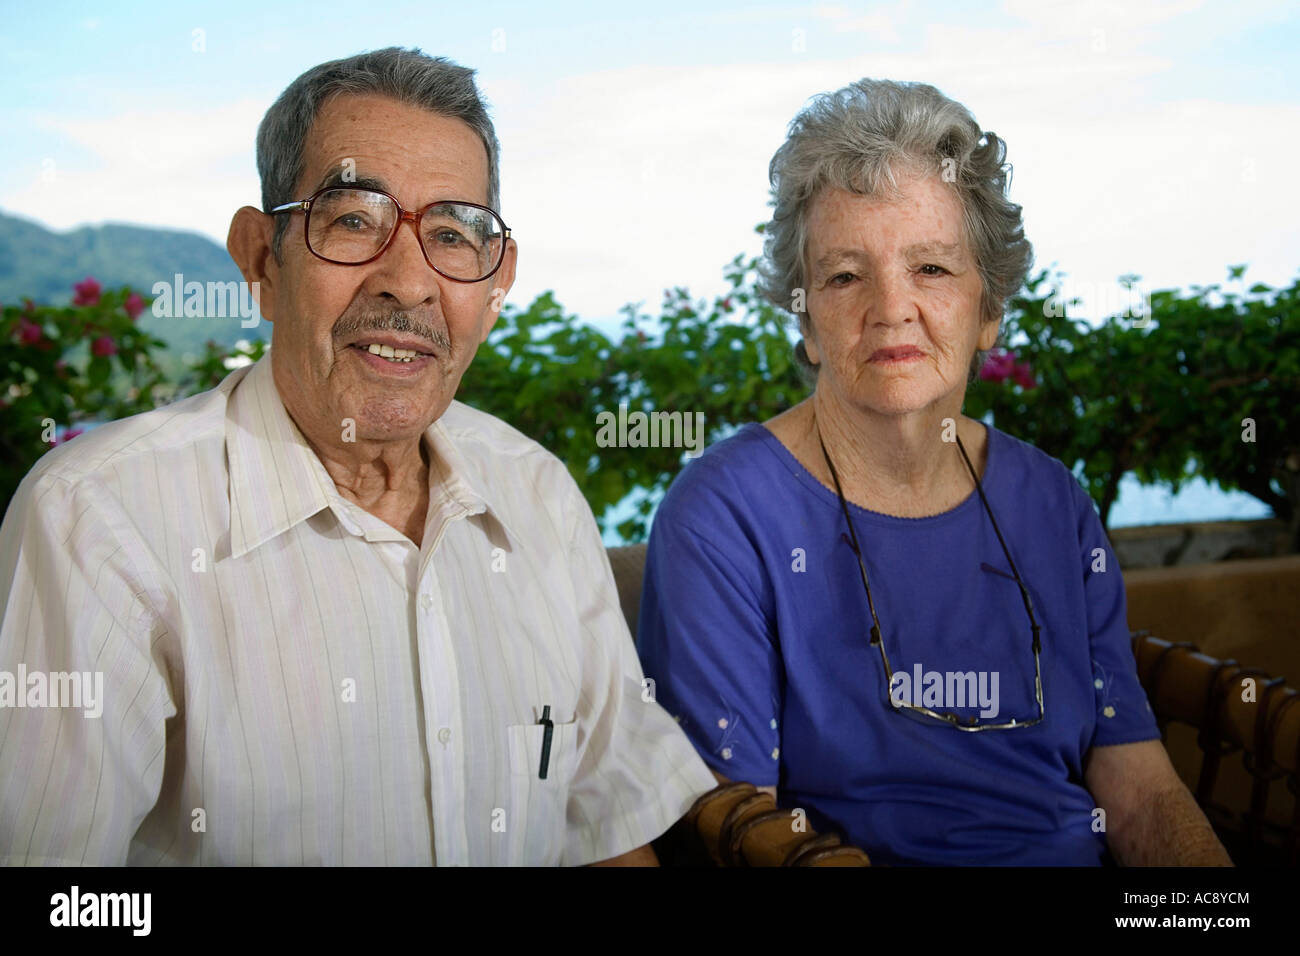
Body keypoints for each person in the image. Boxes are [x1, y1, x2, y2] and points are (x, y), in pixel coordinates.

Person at [0, 47, 715, 866]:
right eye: (352, 222)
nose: (408, 283)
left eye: (452, 234)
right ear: (262, 259)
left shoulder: (538, 494)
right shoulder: (98, 522)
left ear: (495, 281)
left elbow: (609, 833)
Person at [635, 78, 1231, 866]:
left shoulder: (1052, 501)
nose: (891, 307)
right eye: (845, 275)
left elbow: (1135, 779)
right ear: (806, 321)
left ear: (989, 311)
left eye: (932, 269)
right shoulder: (724, 517)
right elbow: (738, 830)